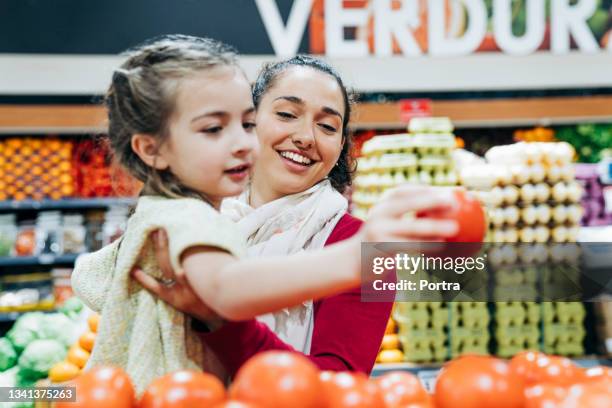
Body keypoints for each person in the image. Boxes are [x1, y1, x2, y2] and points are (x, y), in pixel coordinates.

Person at [72, 36, 459, 393]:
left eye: (327, 126)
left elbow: (337, 389)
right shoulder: (194, 218)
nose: (306, 136)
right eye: (287, 114)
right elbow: (225, 285)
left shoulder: (364, 251)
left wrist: (220, 324)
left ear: (341, 145)